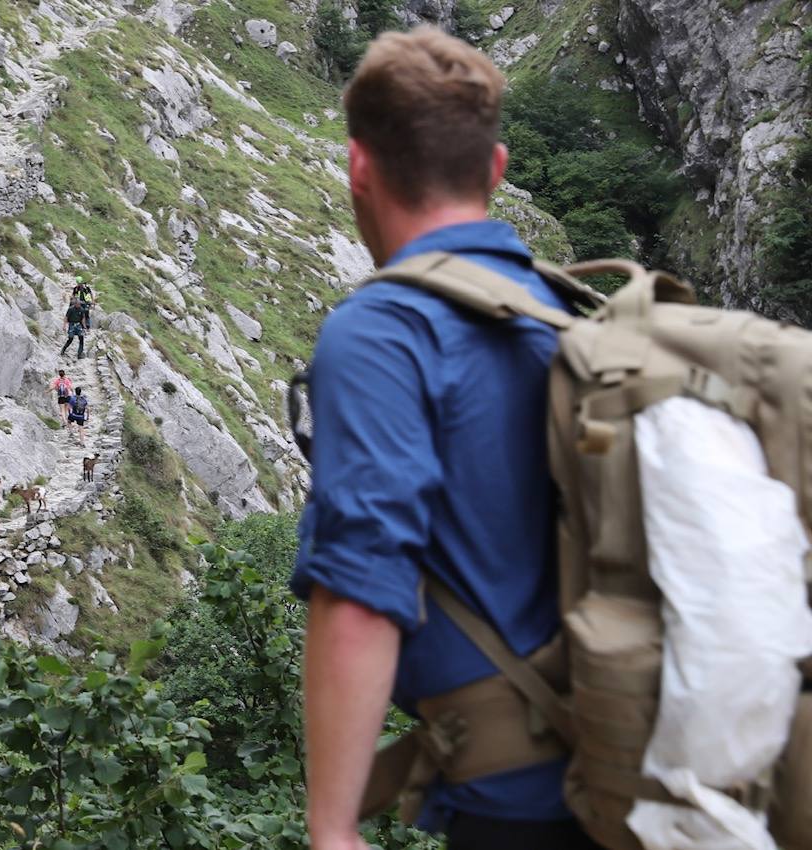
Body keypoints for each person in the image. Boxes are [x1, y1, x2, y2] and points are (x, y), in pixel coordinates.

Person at [290, 27, 601, 850]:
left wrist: (331, 830)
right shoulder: (573, 314)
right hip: (637, 770)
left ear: (358, 166)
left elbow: (360, 586)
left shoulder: (384, 331)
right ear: (495, 170)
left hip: (520, 808)